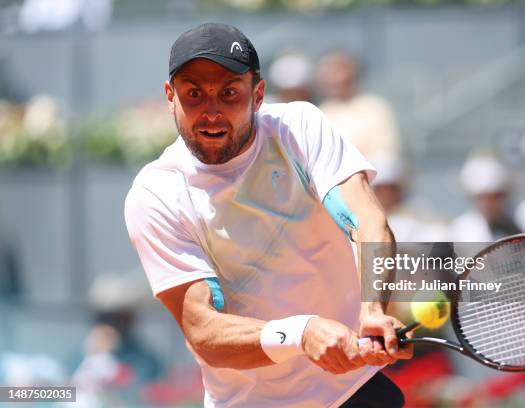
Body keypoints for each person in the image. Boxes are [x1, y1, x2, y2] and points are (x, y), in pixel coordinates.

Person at [124, 23, 412, 408]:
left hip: (353, 391)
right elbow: (203, 330)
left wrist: (373, 308)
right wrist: (302, 333)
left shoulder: (299, 128)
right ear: (169, 96)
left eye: (229, 93)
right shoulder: (156, 194)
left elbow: (367, 218)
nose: (211, 112)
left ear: (257, 95)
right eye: (194, 94)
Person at [316, 51, 401, 162]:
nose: (333, 77)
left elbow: (386, 154)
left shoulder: (375, 108)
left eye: (339, 70)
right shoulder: (320, 112)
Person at [450, 153, 521, 242]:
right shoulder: (461, 230)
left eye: (498, 196)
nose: (491, 203)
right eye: (485, 197)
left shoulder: (516, 226)